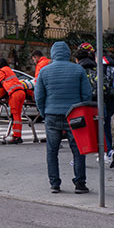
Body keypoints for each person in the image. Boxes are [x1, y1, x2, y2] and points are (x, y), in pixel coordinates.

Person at [34, 41, 91, 194]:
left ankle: (54, 183)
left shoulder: (44, 72)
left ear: (53, 54)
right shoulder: (78, 70)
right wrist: (80, 110)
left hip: (52, 115)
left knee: (52, 151)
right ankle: (80, 183)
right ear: (68, 54)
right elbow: (87, 94)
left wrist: (44, 112)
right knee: (78, 150)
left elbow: (38, 96)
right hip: (74, 116)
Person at [0, 57, 27, 144]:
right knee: (18, 116)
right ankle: (18, 135)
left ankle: (16, 136)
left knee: (14, 115)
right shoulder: (9, 70)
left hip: (14, 94)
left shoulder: (2, 71)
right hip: (21, 92)